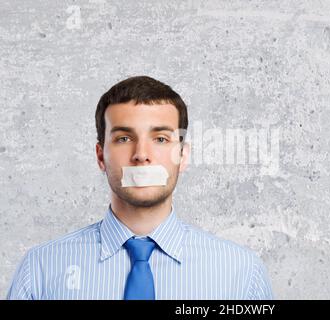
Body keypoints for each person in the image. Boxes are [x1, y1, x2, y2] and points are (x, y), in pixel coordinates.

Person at [7, 76, 274, 300]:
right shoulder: (41, 269)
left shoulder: (241, 273)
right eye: (124, 138)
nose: (142, 155)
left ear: (182, 156)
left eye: (160, 138)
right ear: (101, 156)